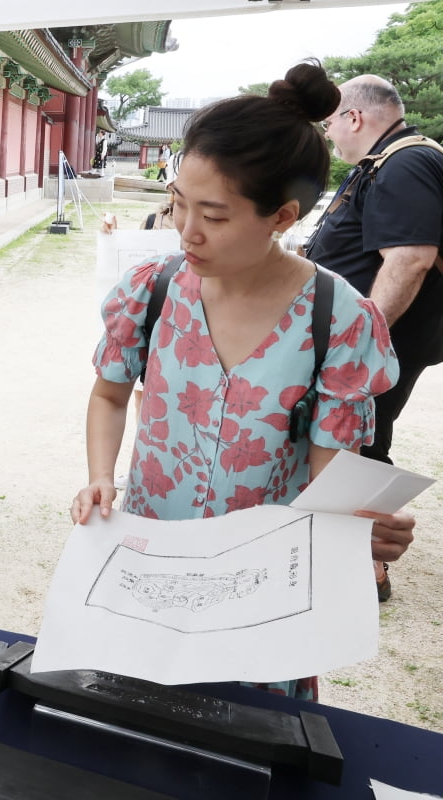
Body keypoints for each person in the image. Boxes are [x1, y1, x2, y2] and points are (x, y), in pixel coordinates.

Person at [71, 62, 415, 700]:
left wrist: (357, 528)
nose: (186, 231)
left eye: (215, 216)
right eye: (178, 204)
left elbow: (327, 477)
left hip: (261, 582)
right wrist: (100, 473)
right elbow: (109, 394)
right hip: (151, 554)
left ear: (281, 217)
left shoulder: (337, 318)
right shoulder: (153, 290)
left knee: (242, 733)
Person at [305, 75, 443, 601]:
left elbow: (409, 259)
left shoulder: (406, 161)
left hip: (382, 342)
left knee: (359, 444)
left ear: (354, 118)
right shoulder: (389, 161)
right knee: (351, 440)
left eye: (331, 122)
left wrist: (365, 339)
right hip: (373, 339)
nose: (332, 134)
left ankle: (368, 567)